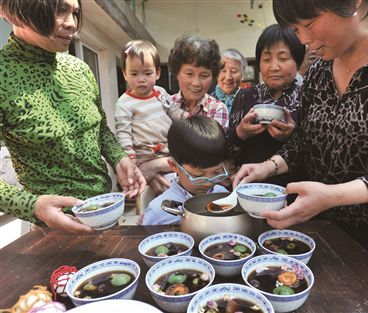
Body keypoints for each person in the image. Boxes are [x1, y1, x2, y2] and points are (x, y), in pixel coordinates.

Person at [233, 0, 368, 275]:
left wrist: (334, 195)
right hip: (321, 233)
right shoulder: (321, 70)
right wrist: (268, 166)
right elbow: (306, 141)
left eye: (308, 25)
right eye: (295, 30)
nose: (304, 41)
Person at [0, 0, 146, 233]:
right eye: (59, 10)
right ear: (21, 9)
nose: (71, 24)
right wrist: (32, 206)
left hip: (105, 212)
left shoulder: (79, 69)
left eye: (75, 13)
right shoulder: (3, 74)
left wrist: (119, 158)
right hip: (51, 229)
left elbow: (100, 129)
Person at [139, 35, 229, 194]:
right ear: (177, 72)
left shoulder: (217, 109)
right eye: (189, 74)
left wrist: (155, 166)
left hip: (203, 191)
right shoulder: (162, 104)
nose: (196, 83)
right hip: (161, 190)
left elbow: (206, 157)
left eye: (204, 75)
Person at [227, 24, 305, 182]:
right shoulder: (245, 96)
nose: (274, 66)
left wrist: (291, 135)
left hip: (293, 191)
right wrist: (240, 132)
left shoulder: (308, 96)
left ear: (298, 62)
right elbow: (227, 150)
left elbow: (313, 150)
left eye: (283, 58)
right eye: (267, 59)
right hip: (248, 187)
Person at [114, 40, 188, 194]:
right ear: (125, 74)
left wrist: (188, 119)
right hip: (144, 156)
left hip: (168, 151)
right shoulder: (124, 103)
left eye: (147, 73)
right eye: (134, 74)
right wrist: (130, 157)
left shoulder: (160, 92)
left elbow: (173, 111)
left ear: (158, 73)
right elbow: (123, 133)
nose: (141, 79)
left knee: (173, 182)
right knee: (152, 189)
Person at [141, 116, 229, 225]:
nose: (208, 182)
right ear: (173, 165)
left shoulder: (223, 195)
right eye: (198, 176)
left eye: (217, 172)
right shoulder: (158, 212)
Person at [211, 48, 248, 113]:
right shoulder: (206, 101)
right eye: (223, 71)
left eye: (233, 71)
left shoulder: (249, 101)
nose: (228, 77)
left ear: (243, 75)